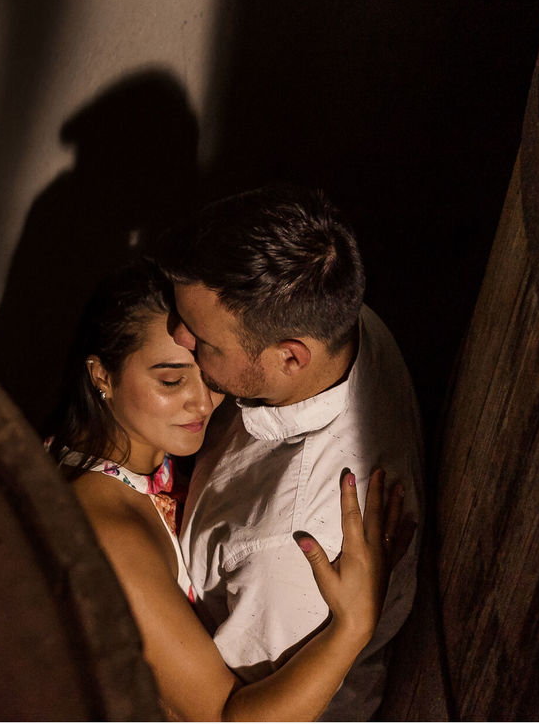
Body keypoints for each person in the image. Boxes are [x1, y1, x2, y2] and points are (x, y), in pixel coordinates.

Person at [45, 260, 412, 721]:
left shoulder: (117, 454)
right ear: (101, 375)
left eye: (207, 373)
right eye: (171, 380)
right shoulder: (109, 536)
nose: (202, 402)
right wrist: (353, 626)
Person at [155, 184, 423, 720]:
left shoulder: (290, 546)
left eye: (206, 341)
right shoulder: (345, 322)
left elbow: (232, 711)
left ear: (290, 358)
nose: (178, 336)